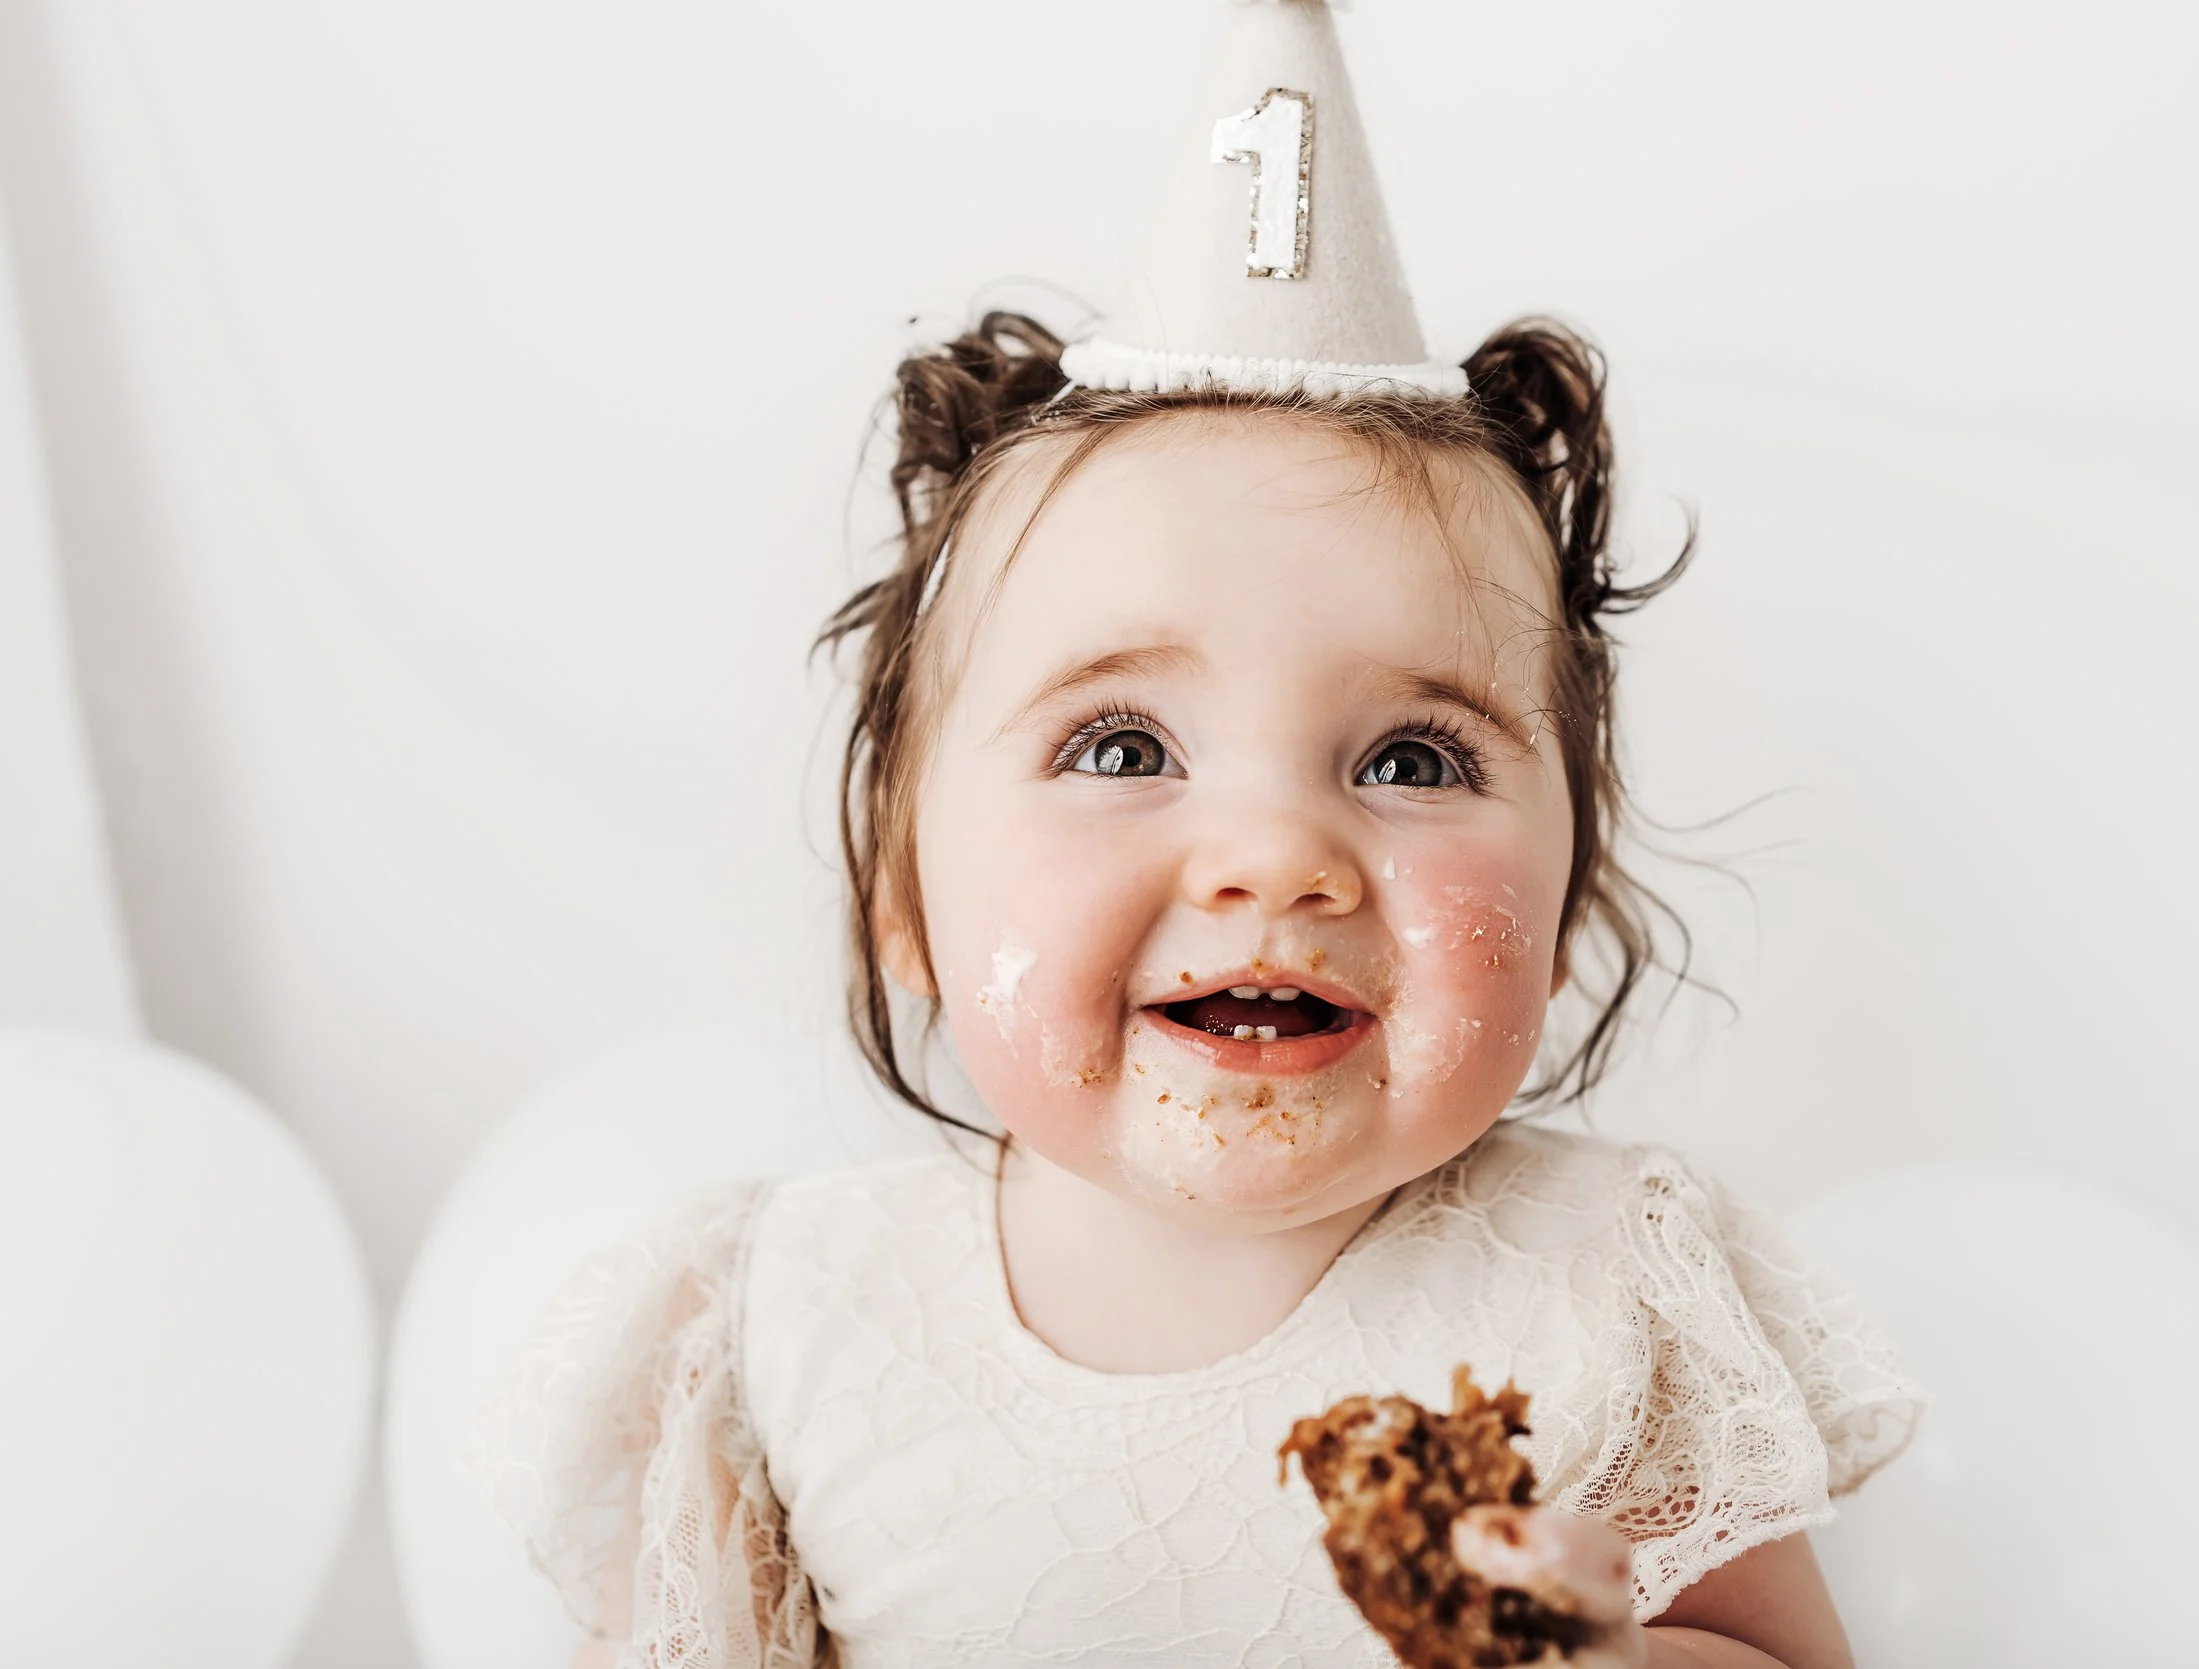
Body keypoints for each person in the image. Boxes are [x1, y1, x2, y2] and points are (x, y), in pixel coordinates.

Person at [470, 5, 1919, 1665]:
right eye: (1119, 742)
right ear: (903, 897)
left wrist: (1586, 1647)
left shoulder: (1603, 1289)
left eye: (1414, 759)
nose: (1276, 856)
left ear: (1571, 890)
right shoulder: (779, 1327)